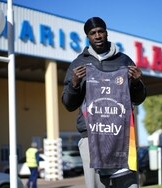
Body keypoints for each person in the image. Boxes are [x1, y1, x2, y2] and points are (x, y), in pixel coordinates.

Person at [62, 17, 146, 188]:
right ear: (88, 37)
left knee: (129, 185)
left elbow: (138, 99)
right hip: (91, 137)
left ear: (107, 33)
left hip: (121, 135)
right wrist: (74, 84)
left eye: (101, 31)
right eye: (93, 33)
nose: (98, 35)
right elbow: (68, 104)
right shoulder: (78, 64)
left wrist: (137, 82)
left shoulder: (124, 61)